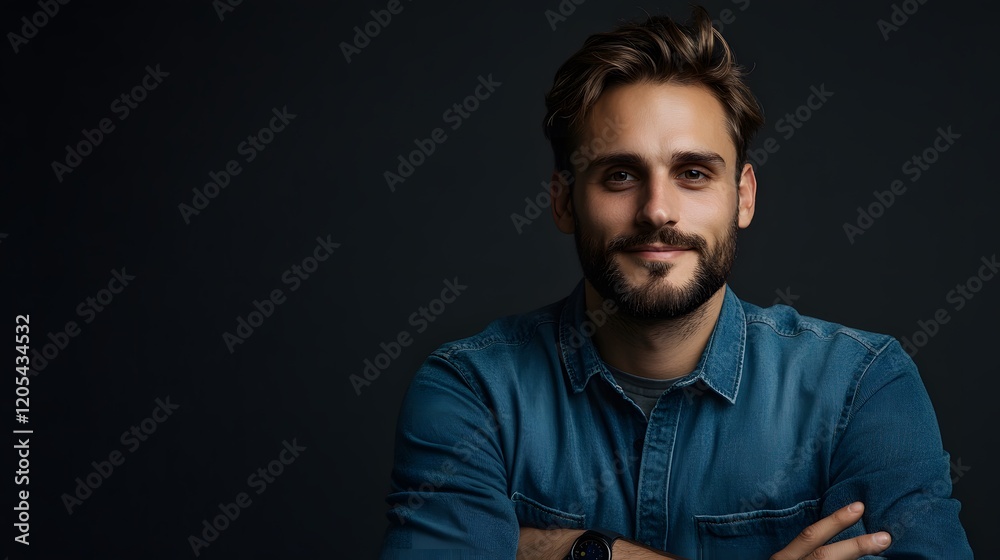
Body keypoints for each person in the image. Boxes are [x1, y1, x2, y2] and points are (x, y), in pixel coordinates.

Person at [378, 6, 973, 559]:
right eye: (618, 175)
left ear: (743, 197)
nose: (657, 210)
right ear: (563, 202)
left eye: (692, 173)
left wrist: (557, 549)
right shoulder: (471, 392)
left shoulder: (862, 388)